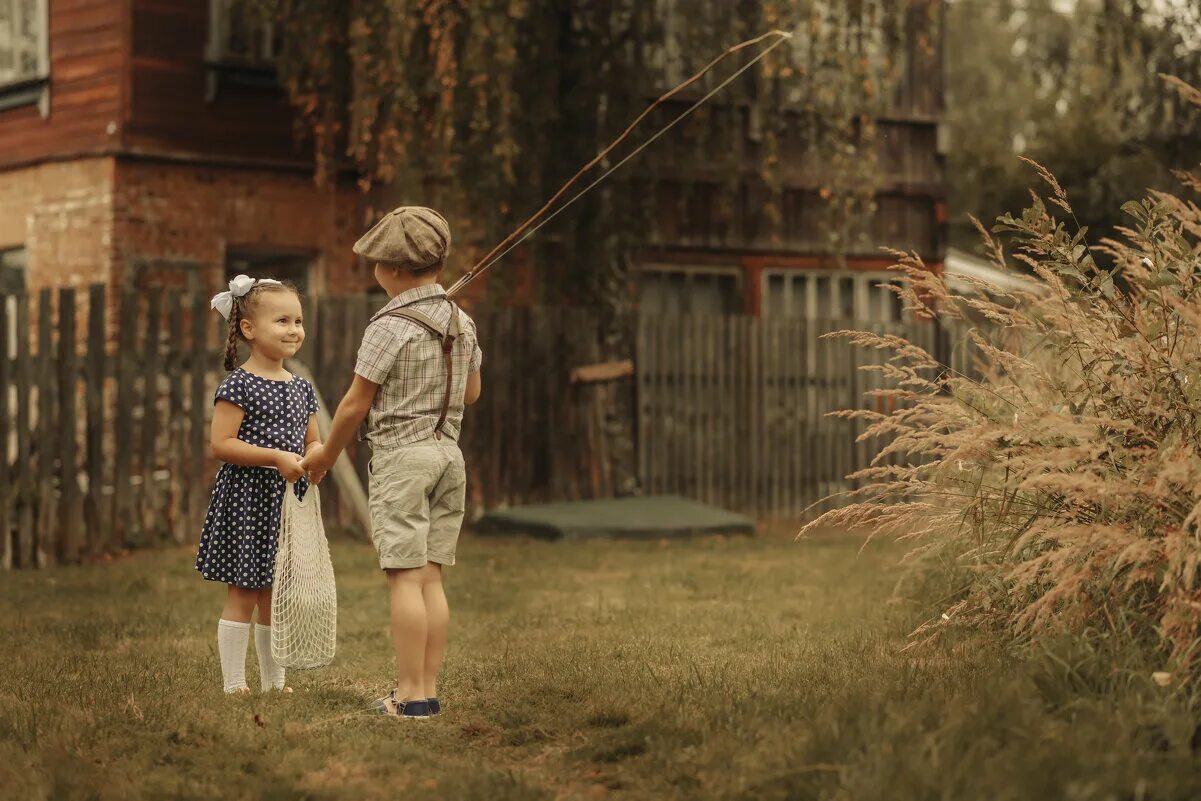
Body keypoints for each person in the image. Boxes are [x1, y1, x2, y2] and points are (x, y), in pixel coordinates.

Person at [301, 206, 483, 719]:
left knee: (404, 577)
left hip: (403, 460)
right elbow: (471, 392)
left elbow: (355, 403)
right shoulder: (461, 319)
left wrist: (323, 458)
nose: (374, 270)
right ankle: (426, 690)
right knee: (430, 577)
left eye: (377, 262)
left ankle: (408, 695)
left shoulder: (388, 324)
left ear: (396, 270)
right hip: (450, 457)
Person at [196, 275, 326, 694]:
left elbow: (313, 440)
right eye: (282, 321)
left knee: (276, 595)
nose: (294, 330)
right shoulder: (239, 384)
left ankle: (274, 682)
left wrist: (316, 461)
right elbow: (221, 444)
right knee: (246, 591)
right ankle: (235, 683)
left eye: (298, 321)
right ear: (248, 329)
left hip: (286, 503)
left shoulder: (302, 388)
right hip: (248, 501)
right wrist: (274, 457)